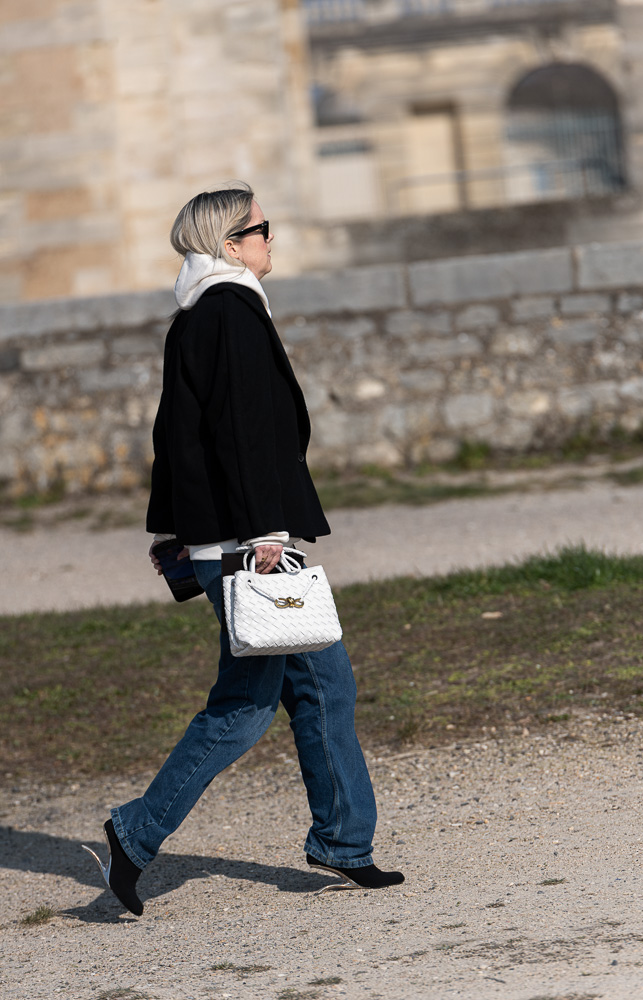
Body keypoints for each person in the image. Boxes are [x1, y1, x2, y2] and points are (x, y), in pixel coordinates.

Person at [83, 183, 404, 916]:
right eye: (263, 228)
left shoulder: (201, 312)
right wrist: (264, 533)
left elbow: (180, 437)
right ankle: (136, 833)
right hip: (246, 545)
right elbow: (245, 432)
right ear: (231, 244)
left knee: (322, 687)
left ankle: (344, 842)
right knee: (245, 706)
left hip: (231, 540)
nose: (270, 240)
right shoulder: (229, 311)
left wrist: (182, 530)